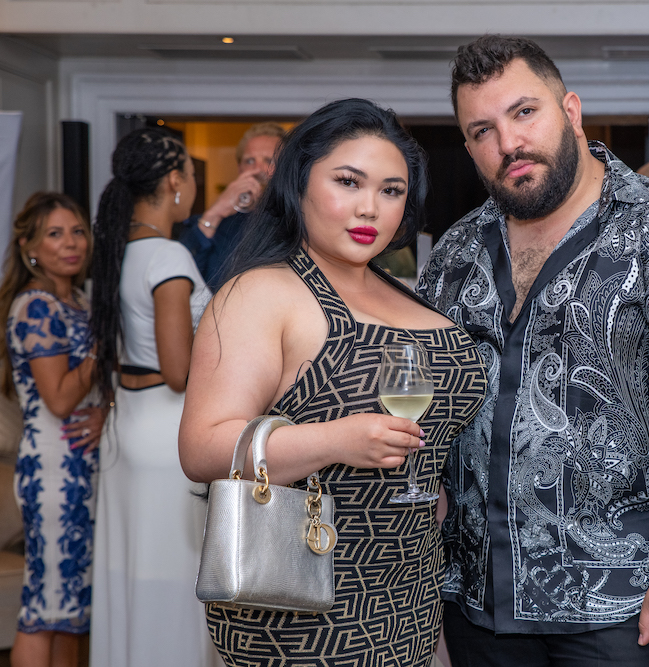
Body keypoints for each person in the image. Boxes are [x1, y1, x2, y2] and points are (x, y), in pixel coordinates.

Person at [416, 36, 649, 667]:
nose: (508, 143)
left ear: (570, 111)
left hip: (617, 600)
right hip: (478, 594)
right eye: (482, 130)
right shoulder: (457, 252)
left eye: (524, 113)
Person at [177, 98, 487, 666]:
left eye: (391, 190)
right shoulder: (262, 293)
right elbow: (201, 450)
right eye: (348, 181)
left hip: (410, 594)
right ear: (299, 183)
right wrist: (334, 440)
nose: (370, 207)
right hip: (298, 599)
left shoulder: (408, 295)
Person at [88, 128, 215, 666]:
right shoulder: (167, 256)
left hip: (127, 427)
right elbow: (179, 370)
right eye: (190, 173)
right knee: (172, 574)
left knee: (130, 568)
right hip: (168, 435)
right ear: (174, 181)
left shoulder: (116, 251)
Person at [0, 193, 104, 667]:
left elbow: (92, 393)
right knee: (46, 605)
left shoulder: (78, 301)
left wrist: (105, 413)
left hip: (84, 469)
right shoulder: (37, 307)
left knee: (73, 609)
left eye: (77, 231)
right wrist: (102, 344)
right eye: (55, 234)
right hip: (52, 473)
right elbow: (60, 399)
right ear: (30, 247)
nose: (71, 243)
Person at [177, 122, 285, 290]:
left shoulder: (299, 221)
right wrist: (215, 213)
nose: (257, 170)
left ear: (286, 169)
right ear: (239, 168)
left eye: (269, 161)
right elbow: (182, 278)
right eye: (250, 161)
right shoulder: (221, 225)